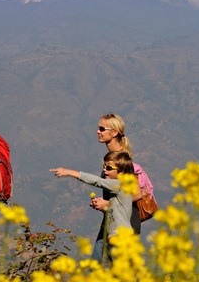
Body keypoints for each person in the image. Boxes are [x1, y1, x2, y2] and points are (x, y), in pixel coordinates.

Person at [50, 150, 137, 267]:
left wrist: (69, 172)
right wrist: (104, 206)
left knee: (124, 277)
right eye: (104, 166)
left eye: (109, 168)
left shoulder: (120, 185)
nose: (105, 170)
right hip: (115, 238)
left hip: (121, 238)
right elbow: (117, 211)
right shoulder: (118, 190)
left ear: (121, 172)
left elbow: (98, 182)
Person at [91, 113, 155, 260]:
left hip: (125, 226)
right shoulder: (113, 159)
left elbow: (137, 194)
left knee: (118, 274)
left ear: (114, 133)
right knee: (98, 271)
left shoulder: (123, 161)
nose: (98, 131)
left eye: (102, 128)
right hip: (111, 222)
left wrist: (108, 203)